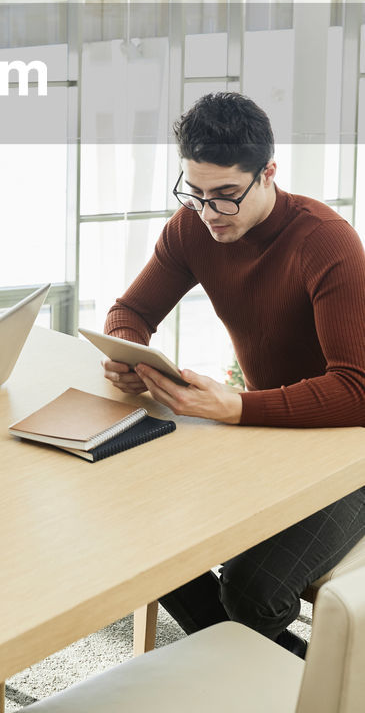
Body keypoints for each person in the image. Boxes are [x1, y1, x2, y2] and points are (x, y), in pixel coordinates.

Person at [102, 91, 365, 656]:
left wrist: (237, 407)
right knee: (144, 534)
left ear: (268, 173)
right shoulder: (193, 227)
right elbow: (130, 312)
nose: (208, 213)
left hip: (352, 452)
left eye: (225, 196)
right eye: (193, 193)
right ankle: (268, 668)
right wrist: (127, 353)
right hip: (269, 433)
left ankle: (318, 688)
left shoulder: (326, 241)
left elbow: (357, 390)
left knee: (251, 591)